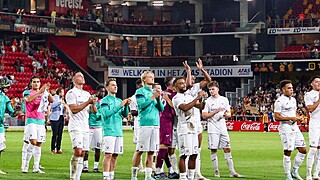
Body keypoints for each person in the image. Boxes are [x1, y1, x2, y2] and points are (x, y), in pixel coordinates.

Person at [202, 81, 244, 178]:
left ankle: (232, 171)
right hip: (212, 128)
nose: (211, 91)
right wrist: (215, 111)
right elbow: (204, 115)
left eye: (213, 89)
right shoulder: (208, 101)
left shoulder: (224, 100)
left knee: (228, 148)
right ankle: (216, 171)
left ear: (218, 89)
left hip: (222, 128)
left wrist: (225, 115)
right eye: (209, 89)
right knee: (213, 150)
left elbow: (229, 113)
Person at [131, 71, 164, 180]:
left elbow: (161, 109)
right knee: (140, 150)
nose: (152, 78)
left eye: (153, 77)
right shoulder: (140, 91)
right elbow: (142, 105)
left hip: (155, 124)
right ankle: (134, 175)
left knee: (151, 151)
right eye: (150, 77)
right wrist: (153, 97)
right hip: (145, 123)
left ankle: (148, 175)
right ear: (144, 79)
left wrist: (158, 99)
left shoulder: (154, 92)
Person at [66, 71, 98, 180]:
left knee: (83, 153)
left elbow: (94, 111)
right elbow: (74, 109)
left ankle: (77, 177)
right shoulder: (71, 93)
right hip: (75, 126)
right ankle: (73, 176)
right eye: (79, 76)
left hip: (85, 126)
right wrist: (88, 102)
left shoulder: (86, 94)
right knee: (78, 151)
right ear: (74, 80)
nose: (82, 77)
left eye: (83, 76)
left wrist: (93, 104)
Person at [172, 77, 205, 180]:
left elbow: (200, 106)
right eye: (181, 83)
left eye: (184, 83)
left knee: (194, 153)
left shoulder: (189, 96)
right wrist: (197, 98)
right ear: (175, 87)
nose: (184, 85)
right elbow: (185, 107)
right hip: (184, 128)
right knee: (184, 154)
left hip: (193, 127)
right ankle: (182, 177)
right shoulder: (176, 98)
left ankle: (191, 177)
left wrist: (203, 98)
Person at [183, 59, 211, 180]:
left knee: (197, 149)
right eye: (191, 78)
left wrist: (202, 70)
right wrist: (188, 70)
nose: (193, 80)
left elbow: (209, 80)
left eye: (194, 78)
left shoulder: (195, 87)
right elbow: (188, 84)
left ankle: (197, 173)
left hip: (196, 120)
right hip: (185, 122)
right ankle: (185, 174)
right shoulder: (183, 89)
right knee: (186, 150)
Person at [274, 80, 307, 180]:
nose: (291, 90)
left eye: (292, 88)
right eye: (289, 88)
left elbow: (292, 113)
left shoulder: (293, 100)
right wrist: (290, 118)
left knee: (303, 150)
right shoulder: (279, 101)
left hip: (295, 127)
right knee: (288, 151)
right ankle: (288, 174)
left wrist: (297, 117)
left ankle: (294, 171)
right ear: (283, 90)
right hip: (285, 128)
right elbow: (276, 117)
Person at [21, 76, 54, 174]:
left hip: (40, 120)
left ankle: (36, 167)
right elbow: (28, 100)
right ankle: (25, 165)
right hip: (31, 120)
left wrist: (46, 91)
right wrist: (39, 92)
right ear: (31, 83)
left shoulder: (43, 93)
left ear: (40, 83)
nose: (36, 84)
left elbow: (51, 101)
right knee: (33, 142)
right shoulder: (27, 92)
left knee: (39, 144)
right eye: (34, 82)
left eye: (38, 82)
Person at [100, 78, 131, 180]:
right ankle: (105, 176)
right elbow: (106, 114)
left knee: (115, 155)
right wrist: (120, 106)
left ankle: (111, 175)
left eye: (116, 85)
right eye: (113, 85)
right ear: (107, 87)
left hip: (118, 131)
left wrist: (126, 106)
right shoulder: (104, 101)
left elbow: (125, 115)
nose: (115, 86)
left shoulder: (118, 100)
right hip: (109, 131)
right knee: (108, 155)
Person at [154, 76, 179, 179]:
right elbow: (175, 108)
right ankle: (158, 171)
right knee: (164, 146)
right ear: (172, 84)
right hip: (166, 121)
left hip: (162, 121)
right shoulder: (172, 95)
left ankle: (170, 170)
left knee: (166, 147)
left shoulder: (163, 93)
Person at [83, 85, 106, 173]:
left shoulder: (104, 101)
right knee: (86, 148)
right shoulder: (92, 99)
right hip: (89, 126)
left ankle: (95, 167)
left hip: (99, 126)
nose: (103, 93)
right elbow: (93, 111)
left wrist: (93, 104)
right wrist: (92, 103)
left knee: (98, 147)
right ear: (97, 91)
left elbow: (97, 112)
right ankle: (85, 166)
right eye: (101, 91)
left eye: (104, 92)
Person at [0, 79, 20, 174]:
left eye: (8, 87)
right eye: (5, 86)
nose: (7, 88)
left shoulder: (6, 98)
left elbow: (11, 113)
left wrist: (16, 112)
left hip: (0, 125)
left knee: (0, 147)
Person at [304, 76, 320, 180]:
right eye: (317, 81)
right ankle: (308, 174)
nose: (319, 83)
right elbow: (310, 109)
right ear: (312, 84)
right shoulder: (308, 95)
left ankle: (316, 174)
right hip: (315, 124)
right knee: (313, 149)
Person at [129, 79, 144, 172]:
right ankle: (140, 166)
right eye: (142, 85)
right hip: (139, 123)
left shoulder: (148, 95)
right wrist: (144, 110)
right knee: (140, 145)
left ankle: (152, 166)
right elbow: (133, 112)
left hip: (149, 122)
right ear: (138, 86)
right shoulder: (133, 98)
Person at [49, 88, 68, 154]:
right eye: (62, 92)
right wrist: (59, 103)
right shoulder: (54, 98)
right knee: (55, 134)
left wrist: (65, 114)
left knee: (60, 134)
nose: (63, 94)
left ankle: (58, 148)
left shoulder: (62, 99)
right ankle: (53, 149)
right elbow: (52, 106)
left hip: (61, 117)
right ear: (59, 93)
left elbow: (63, 108)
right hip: (54, 118)